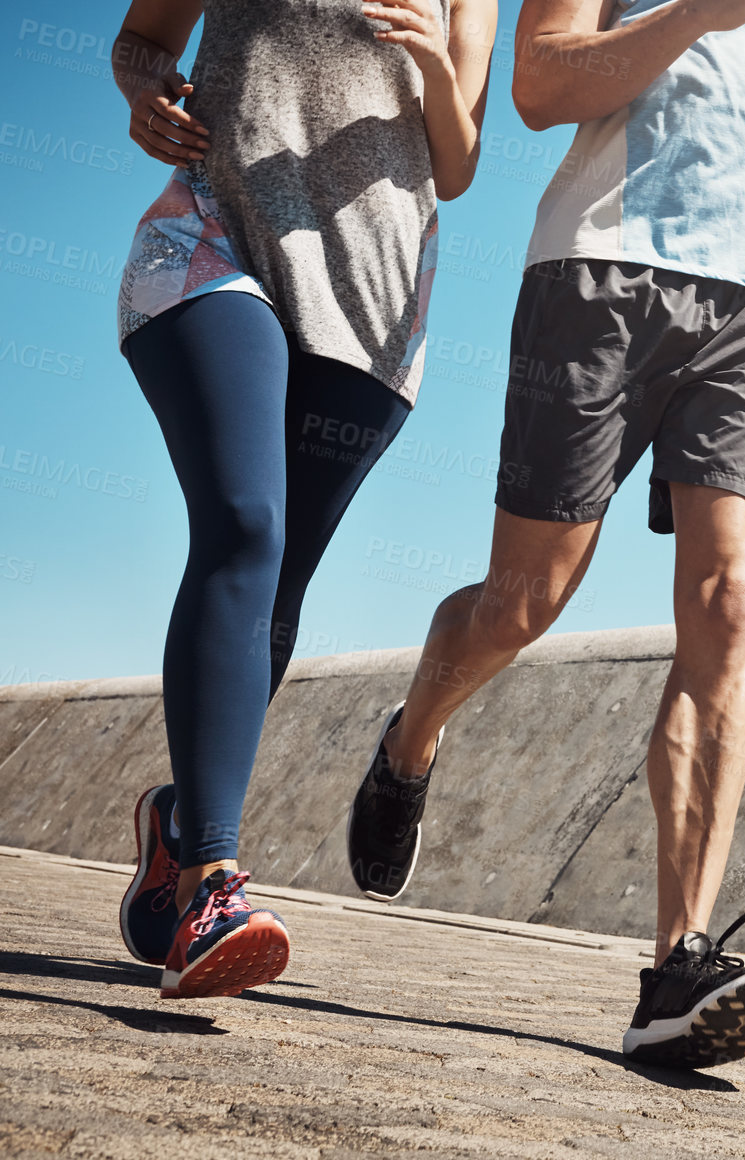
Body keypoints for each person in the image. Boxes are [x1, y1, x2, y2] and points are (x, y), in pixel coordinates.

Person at [346, 0, 745, 1067]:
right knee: (526, 599)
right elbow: (543, 85)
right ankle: (409, 737)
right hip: (600, 271)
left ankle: (676, 965)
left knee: (727, 604)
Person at [112, 0, 496, 1000]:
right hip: (212, 237)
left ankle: (182, 821)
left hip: (369, 297)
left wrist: (439, 72)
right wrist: (143, 90)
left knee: (276, 588)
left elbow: (458, 164)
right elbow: (143, 35)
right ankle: (213, 883)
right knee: (243, 522)